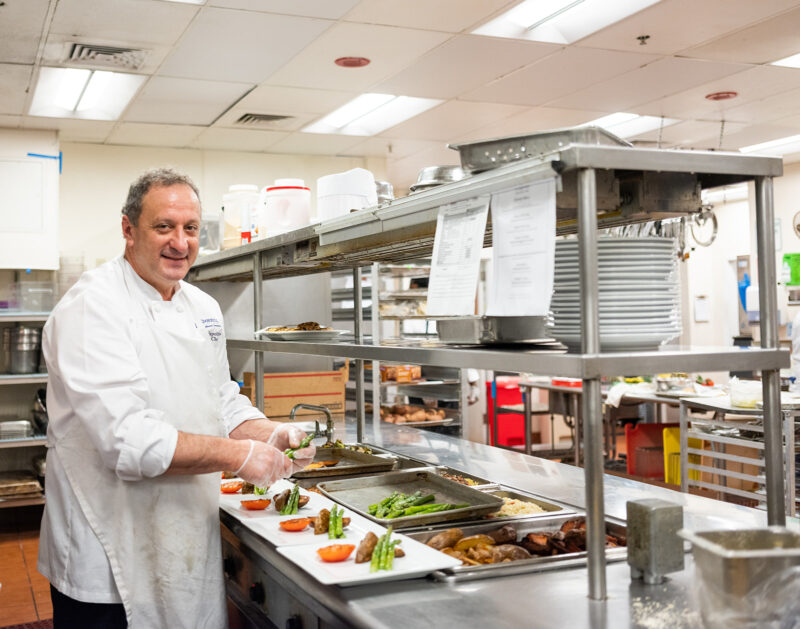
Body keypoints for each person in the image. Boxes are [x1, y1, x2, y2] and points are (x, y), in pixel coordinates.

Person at [37, 168, 315, 629]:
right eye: (163, 227)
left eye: (190, 229)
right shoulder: (92, 307)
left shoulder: (202, 307)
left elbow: (220, 398)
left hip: (182, 524)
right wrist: (241, 455)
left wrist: (273, 433)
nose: (179, 243)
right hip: (107, 546)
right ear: (128, 229)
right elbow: (128, 442)